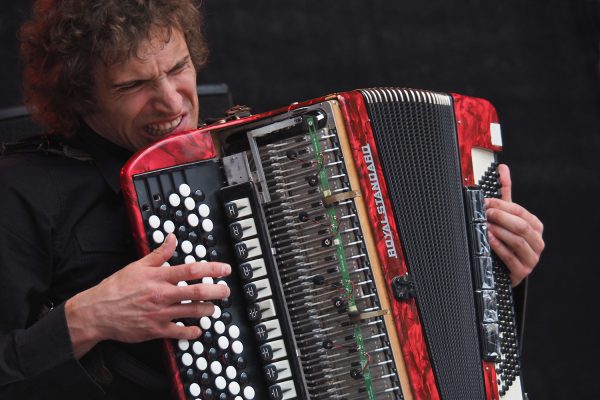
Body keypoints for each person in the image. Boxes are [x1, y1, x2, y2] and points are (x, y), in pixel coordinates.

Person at [0, 0, 545, 399]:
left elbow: (375, 301)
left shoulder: (245, 154)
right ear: (81, 95)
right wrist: (88, 319)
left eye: (178, 69)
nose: (170, 101)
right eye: (132, 85)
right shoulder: (24, 192)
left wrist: (489, 273)